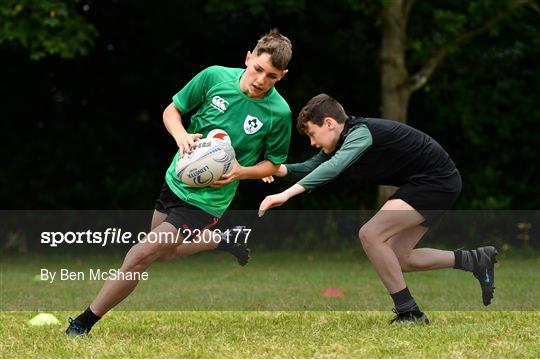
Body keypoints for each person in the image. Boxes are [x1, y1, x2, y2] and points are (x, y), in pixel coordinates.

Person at [66, 30, 293, 336]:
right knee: (164, 253)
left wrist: (240, 171)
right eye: (258, 69)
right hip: (176, 180)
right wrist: (181, 135)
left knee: (141, 254)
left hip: (208, 201)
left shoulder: (278, 113)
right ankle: (223, 240)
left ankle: (82, 323)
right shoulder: (214, 77)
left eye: (272, 76)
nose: (261, 80)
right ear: (248, 58)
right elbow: (172, 111)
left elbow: (273, 164)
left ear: (282, 76)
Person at [258, 93, 497, 324]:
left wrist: (285, 194)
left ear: (329, 123)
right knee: (399, 257)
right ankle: (474, 259)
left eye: (312, 134)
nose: (312, 142)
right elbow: (310, 166)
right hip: (430, 183)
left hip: (436, 182)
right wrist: (273, 169)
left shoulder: (360, 134)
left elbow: (333, 168)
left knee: (370, 234)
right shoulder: (344, 139)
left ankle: (409, 312)